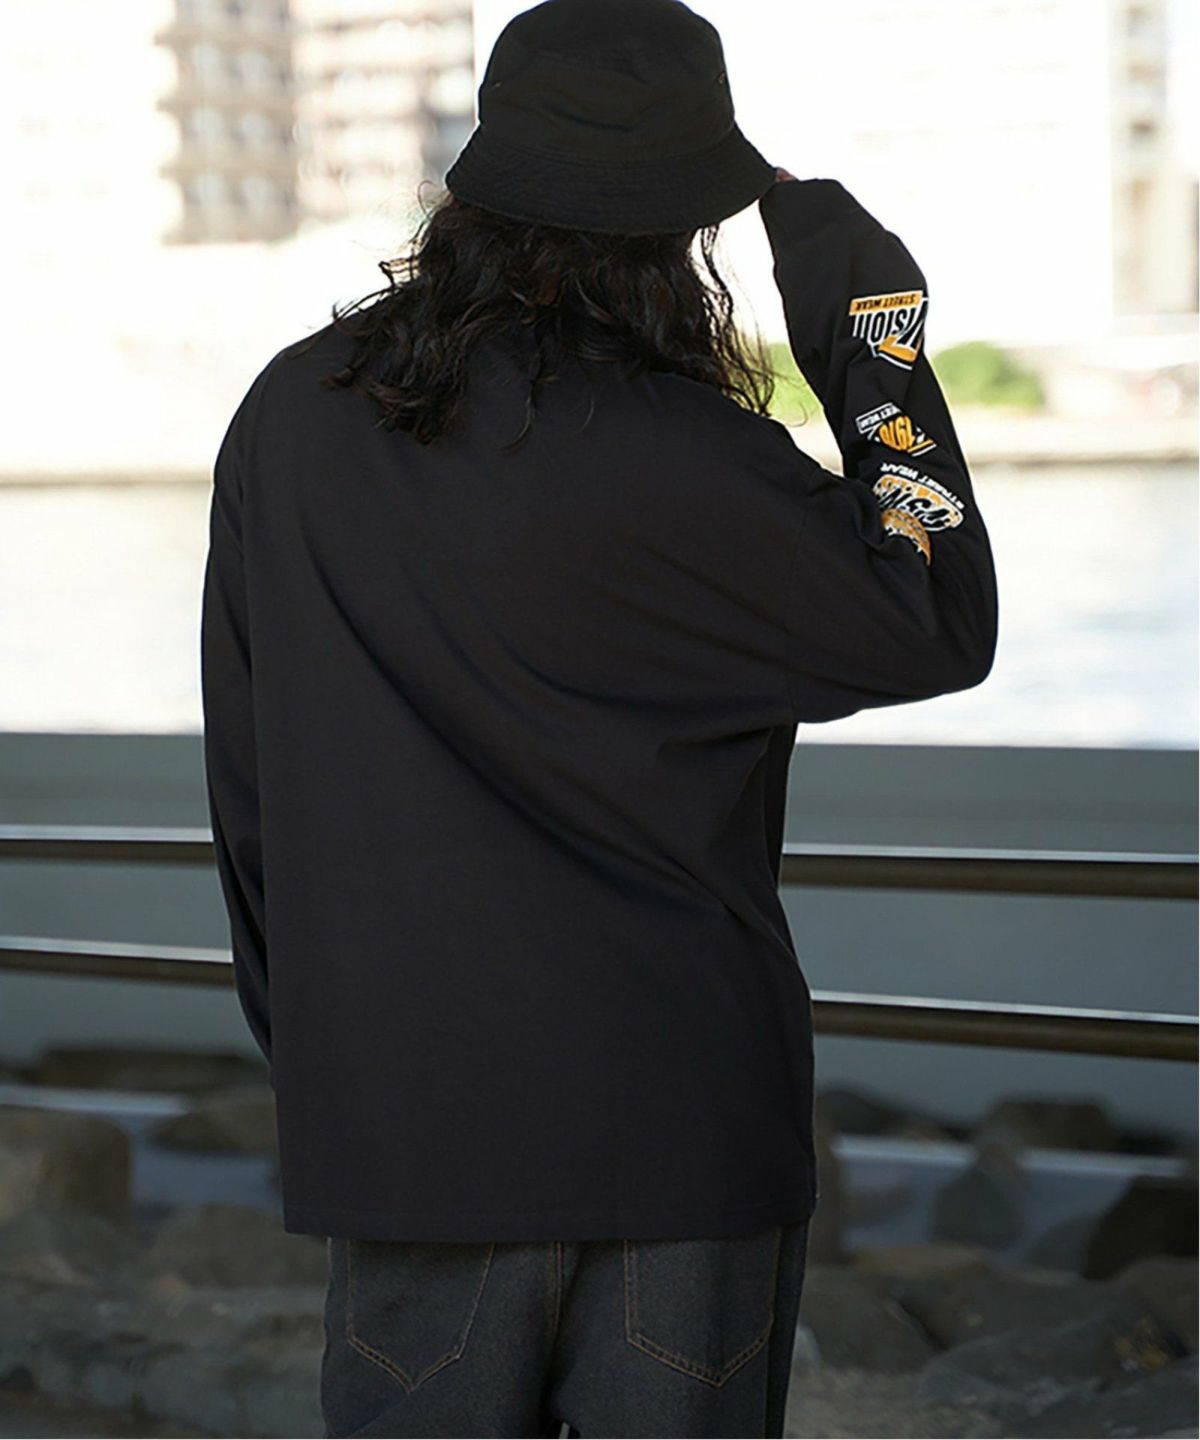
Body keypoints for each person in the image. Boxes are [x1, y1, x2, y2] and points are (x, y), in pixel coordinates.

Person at [199, 0, 999, 1434]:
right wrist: (870, 337)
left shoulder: (292, 416)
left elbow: (251, 791)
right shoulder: (694, 455)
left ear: (482, 181)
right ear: (684, 226)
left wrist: (342, 1061)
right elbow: (935, 611)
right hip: (681, 1121)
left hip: (412, 1125)